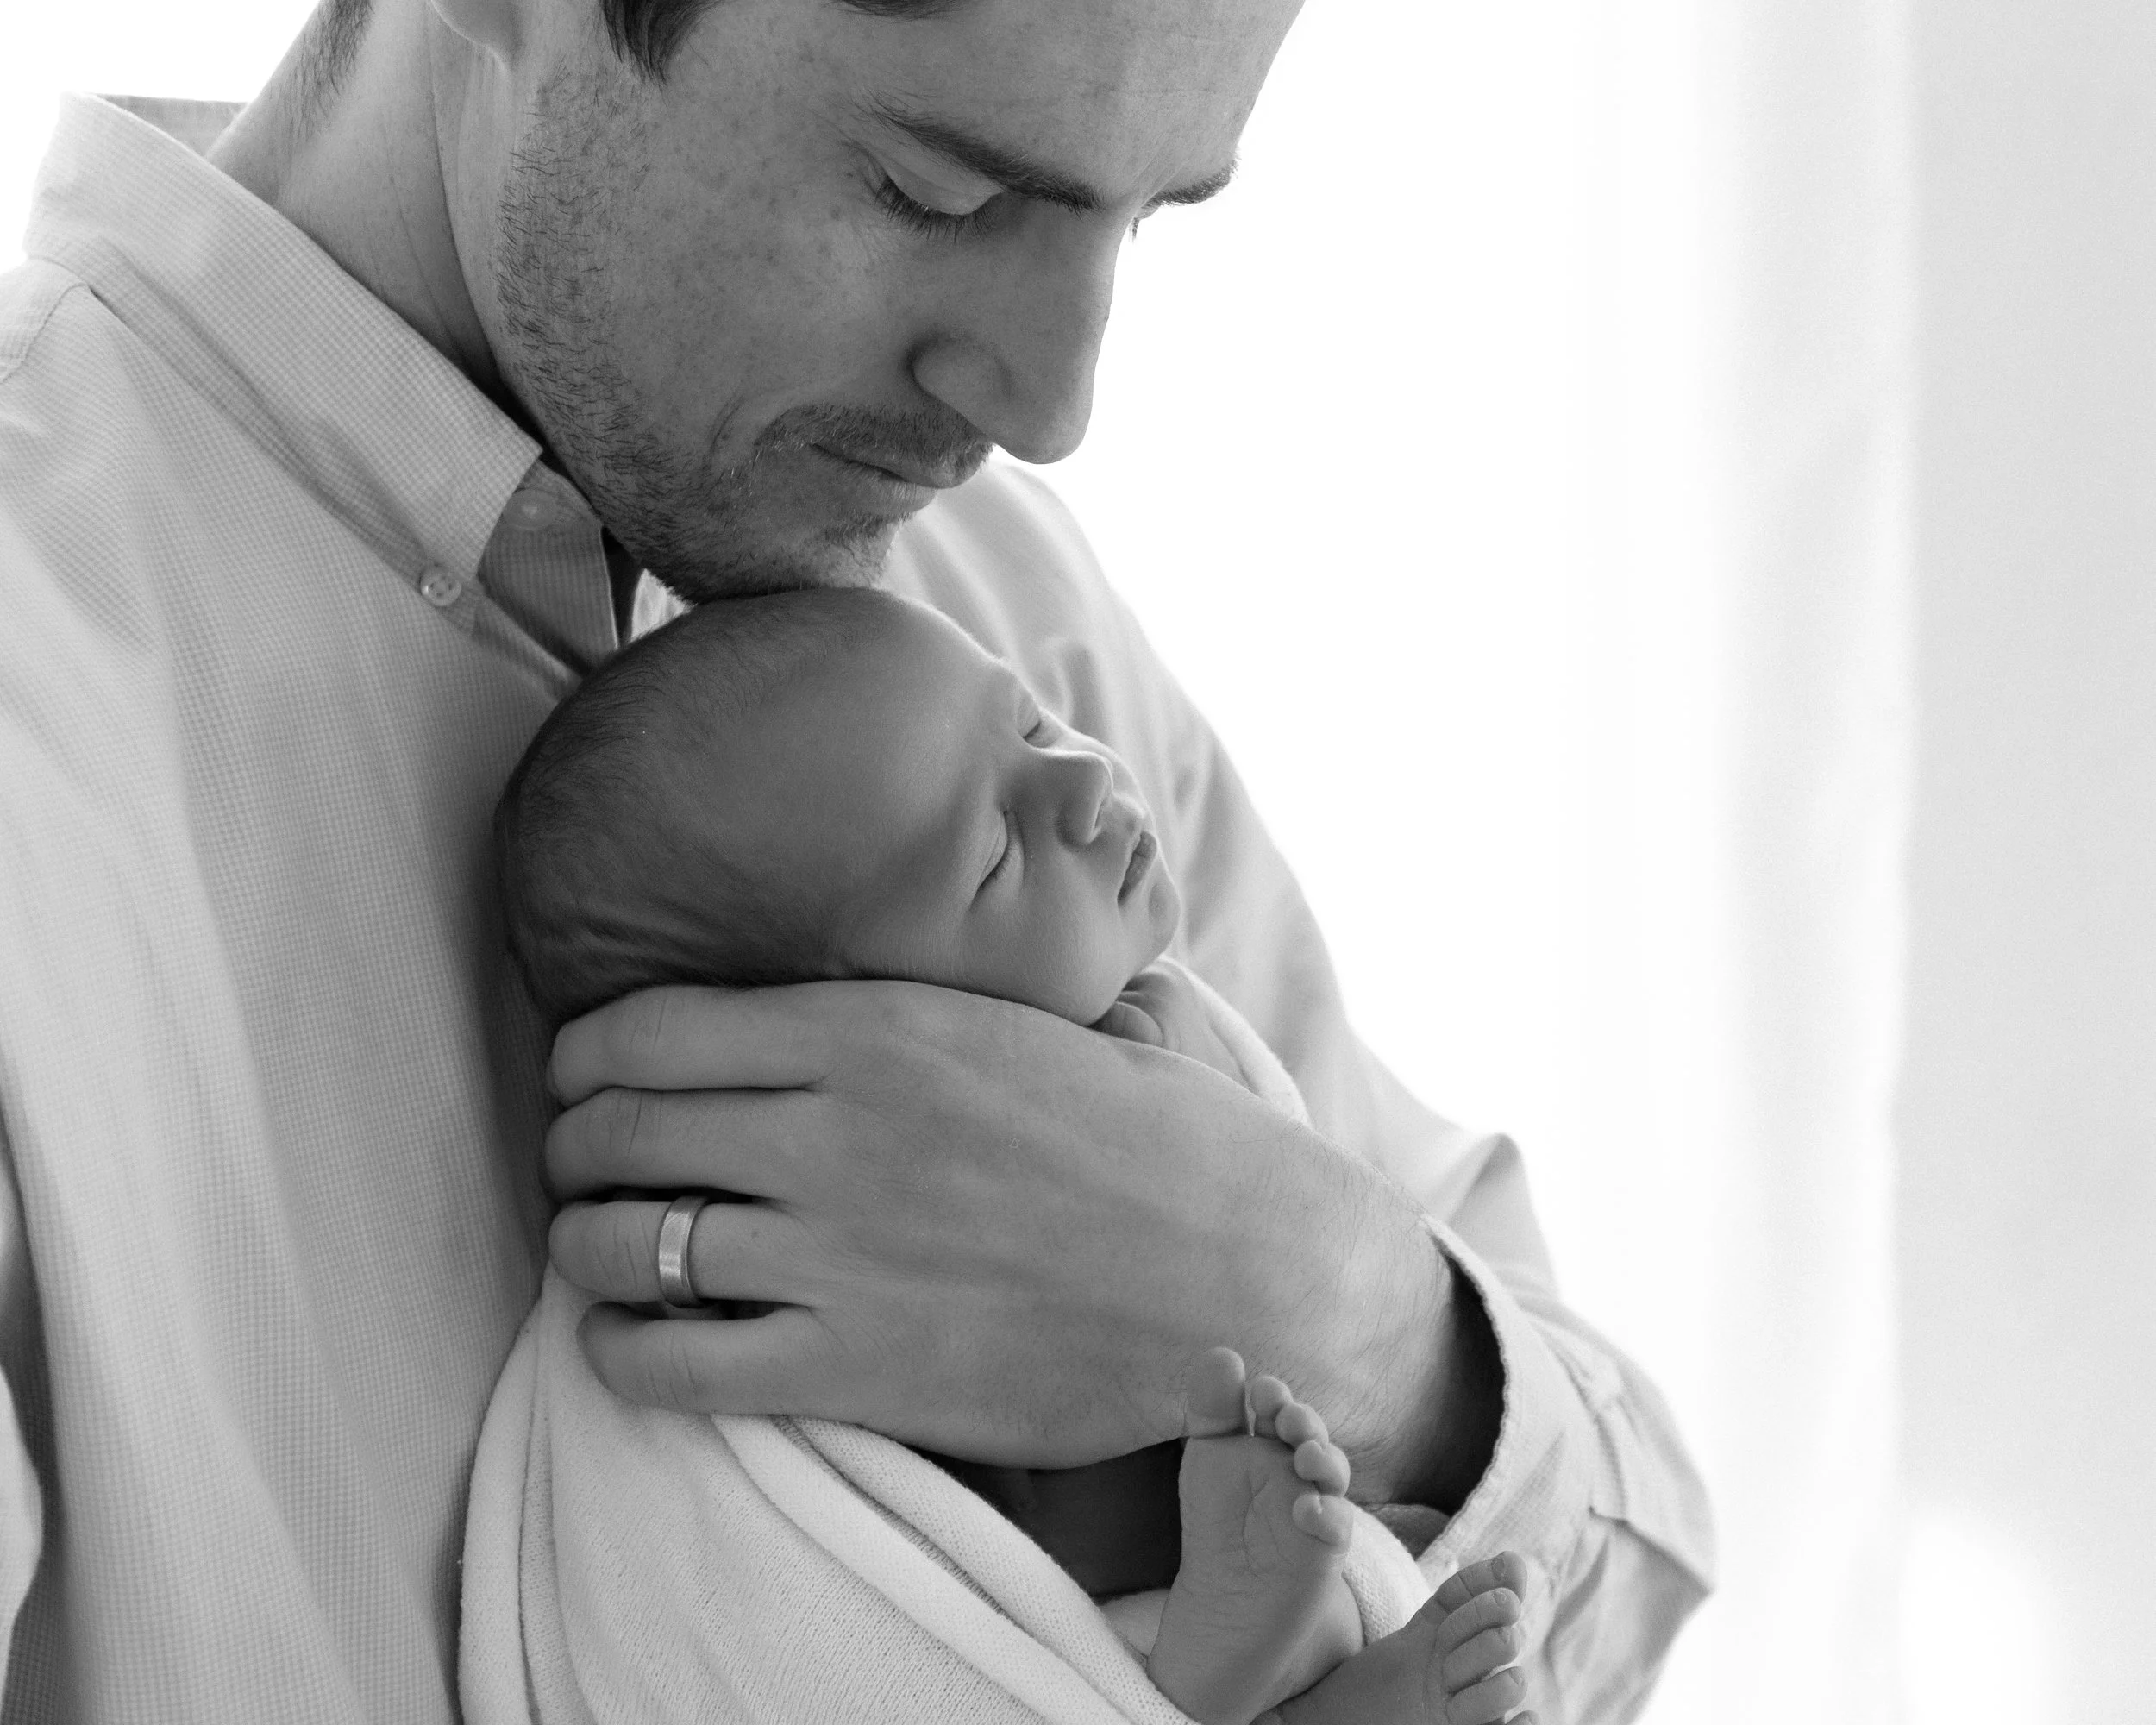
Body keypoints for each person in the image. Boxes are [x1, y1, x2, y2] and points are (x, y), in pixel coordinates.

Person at [0, 0, 1713, 1717]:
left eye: (1143, 217)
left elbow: (1622, 1569)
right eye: (938, 189)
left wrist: (1311, 1298)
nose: (1052, 404)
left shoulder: (996, 619)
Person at [476, 583, 1538, 1725]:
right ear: (847, 1037)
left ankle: (1272, 1669)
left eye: (1031, 723)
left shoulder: (1167, 1015)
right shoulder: (790, 1218)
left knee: (1281, 1494)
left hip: (1196, 1555)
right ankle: (1216, 1679)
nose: (1084, 784)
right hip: (1007, 1598)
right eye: (994, 856)